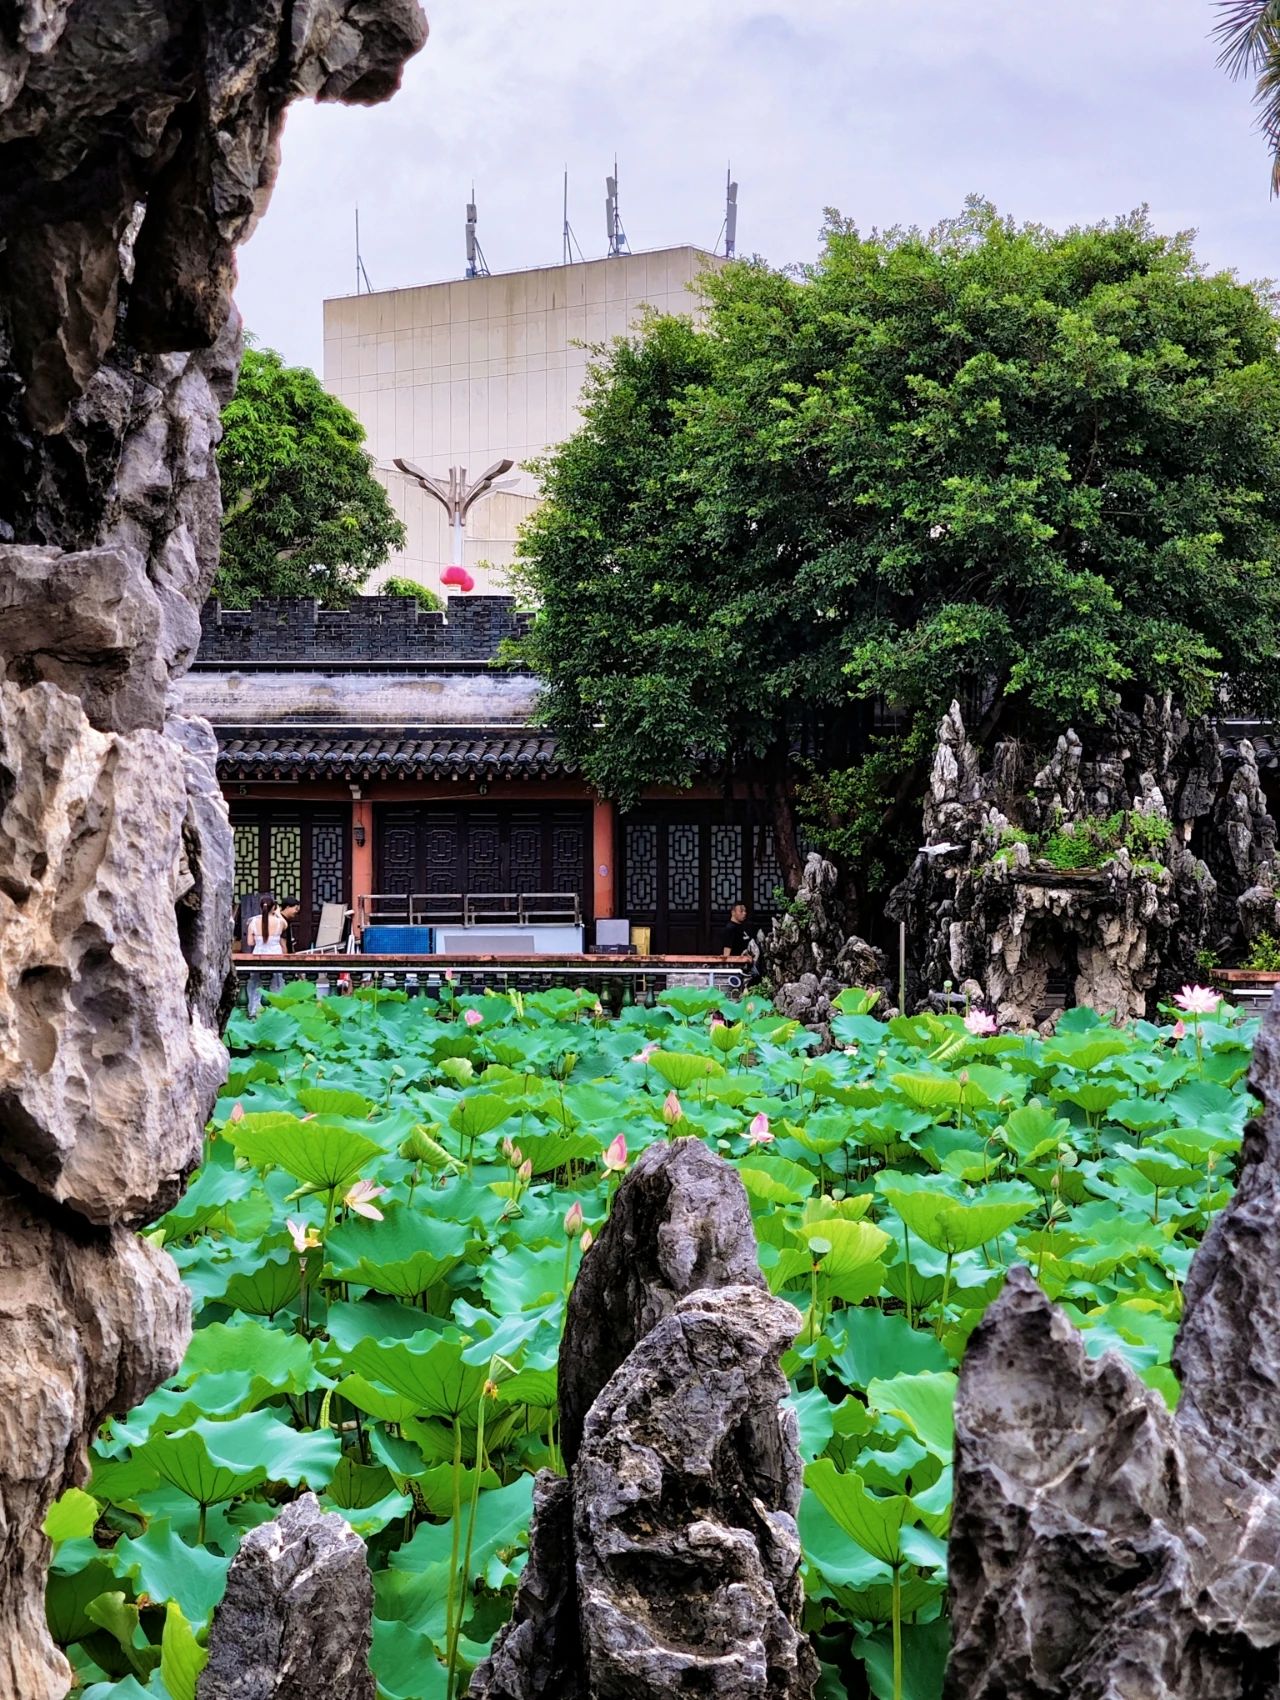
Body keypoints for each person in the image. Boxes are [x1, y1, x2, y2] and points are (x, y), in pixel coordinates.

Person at [246, 895, 289, 1016]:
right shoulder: (280, 922)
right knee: (275, 982)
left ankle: (255, 1010)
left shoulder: (253, 922)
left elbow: (250, 942)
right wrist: (278, 913)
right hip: (275, 953)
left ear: (261, 907)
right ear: (273, 907)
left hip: (259, 953)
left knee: (257, 982)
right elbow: (285, 924)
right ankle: (275, 1009)